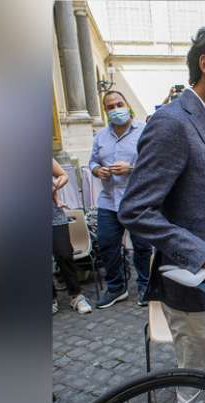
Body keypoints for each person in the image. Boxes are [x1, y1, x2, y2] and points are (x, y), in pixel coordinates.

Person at [118, 27, 205, 373]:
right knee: (197, 396)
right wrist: (201, 252)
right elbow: (135, 210)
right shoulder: (173, 122)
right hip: (196, 290)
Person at [89, 90, 152, 308]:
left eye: (119, 104)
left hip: (137, 199)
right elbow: (93, 162)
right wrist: (98, 171)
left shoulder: (144, 131)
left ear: (127, 105)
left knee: (142, 245)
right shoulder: (100, 137)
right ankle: (116, 288)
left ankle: (145, 285)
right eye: (110, 107)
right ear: (105, 111)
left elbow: (154, 164)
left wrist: (131, 168)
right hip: (108, 200)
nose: (116, 109)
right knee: (107, 244)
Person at [52, 159, 92, 315]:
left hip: (53, 215)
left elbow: (63, 175)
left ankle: (76, 296)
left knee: (65, 254)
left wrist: (55, 185)